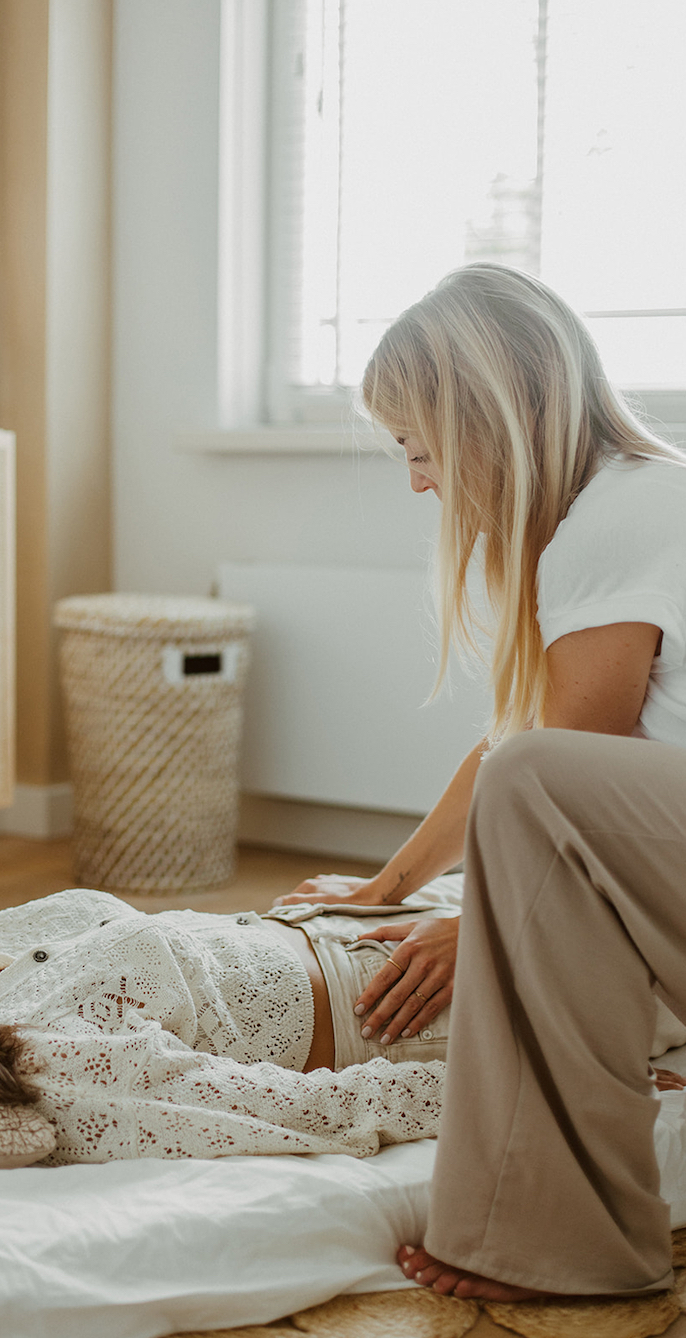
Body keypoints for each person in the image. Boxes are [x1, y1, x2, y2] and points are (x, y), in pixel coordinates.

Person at [276, 262, 686, 1298]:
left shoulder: (627, 510)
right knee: (533, 774)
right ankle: (572, 1239)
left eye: (420, 447)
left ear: (495, 415)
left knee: (539, 782)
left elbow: (554, 781)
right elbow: (525, 753)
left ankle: (545, 1237)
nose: (417, 480)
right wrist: (390, 883)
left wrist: (479, 927)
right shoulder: (629, 501)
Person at [0, 875, 446, 1165]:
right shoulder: (34, 1052)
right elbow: (285, 1109)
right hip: (417, 1005)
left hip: (367, 932)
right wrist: (477, 1089)